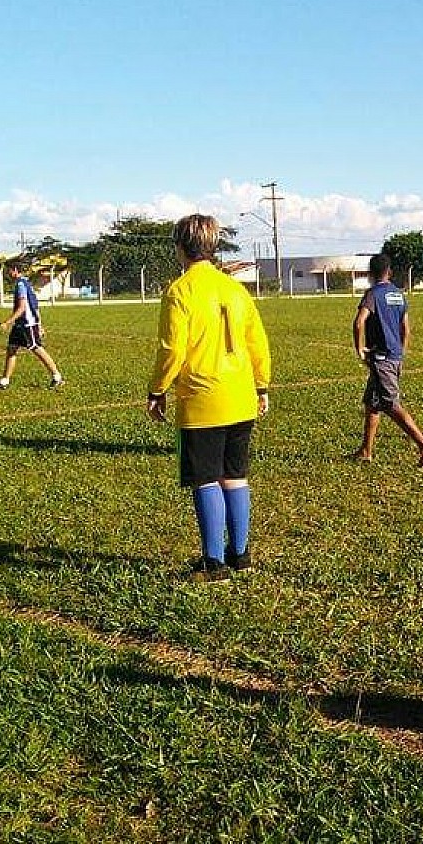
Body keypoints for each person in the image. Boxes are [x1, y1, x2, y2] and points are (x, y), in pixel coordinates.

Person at [147, 214, 272, 583]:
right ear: (213, 245)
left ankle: (213, 565)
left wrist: (157, 390)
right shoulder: (236, 289)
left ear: (179, 247)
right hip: (241, 396)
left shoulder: (180, 291)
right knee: (235, 476)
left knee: (205, 479)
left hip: (203, 400)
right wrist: (261, 385)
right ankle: (241, 556)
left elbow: (172, 350)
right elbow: (258, 343)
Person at [351, 253, 423, 467]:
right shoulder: (398, 295)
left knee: (389, 404)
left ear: (371, 273)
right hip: (395, 356)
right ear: (389, 271)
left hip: (381, 358)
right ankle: (366, 450)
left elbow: (359, 323)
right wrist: (401, 353)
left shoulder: (372, 294)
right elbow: (405, 329)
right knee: (372, 403)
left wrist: (359, 349)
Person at [0, 259, 64, 389]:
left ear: (15, 270)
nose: (7, 273)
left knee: (37, 349)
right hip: (20, 324)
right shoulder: (26, 283)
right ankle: (5, 380)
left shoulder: (21, 285)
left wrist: (7, 322)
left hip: (27, 324)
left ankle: (57, 377)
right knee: (11, 349)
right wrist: (40, 324)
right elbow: (35, 306)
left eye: (8, 270)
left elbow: (22, 308)